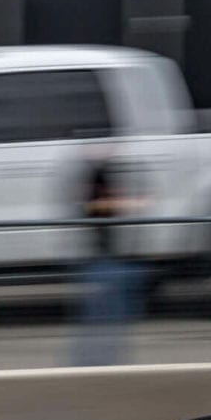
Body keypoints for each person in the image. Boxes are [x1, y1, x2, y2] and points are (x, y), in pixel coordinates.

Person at [72, 154, 149, 366]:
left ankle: (95, 363)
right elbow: (92, 207)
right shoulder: (95, 186)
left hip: (108, 262)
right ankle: (94, 364)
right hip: (104, 263)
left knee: (104, 321)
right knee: (104, 319)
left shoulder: (96, 183)